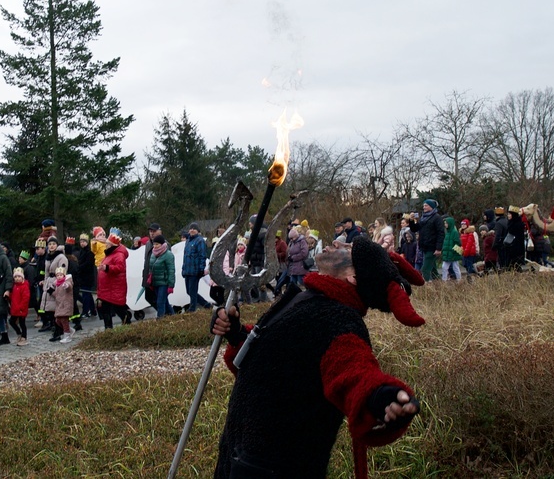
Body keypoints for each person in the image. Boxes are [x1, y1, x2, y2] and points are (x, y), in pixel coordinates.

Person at [210, 235, 423, 477]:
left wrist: (379, 396)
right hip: (241, 456)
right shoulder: (309, 301)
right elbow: (276, 357)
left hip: (273, 468)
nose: (339, 243)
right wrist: (237, 333)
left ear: (353, 277)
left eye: (349, 249)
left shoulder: (340, 320)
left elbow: (354, 371)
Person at [97, 228, 129, 328]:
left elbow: (120, 268)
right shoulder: (110, 254)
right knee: (105, 311)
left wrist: (106, 268)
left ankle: (127, 320)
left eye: (107, 243)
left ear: (112, 244)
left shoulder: (119, 254)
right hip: (107, 289)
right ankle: (108, 330)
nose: (106, 245)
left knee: (119, 309)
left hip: (115, 289)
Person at [38, 235, 68, 340]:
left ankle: (59, 332)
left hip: (57, 284)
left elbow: (62, 273)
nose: (51, 246)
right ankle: (55, 330)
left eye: (53, 244)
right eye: (50, 244)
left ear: (57, 245)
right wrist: (45, 284)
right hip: (48, 284)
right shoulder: (48, 258)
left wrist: (54, 285)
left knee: (57, 310)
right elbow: (46, 273)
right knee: (49, 310)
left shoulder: (61, 257)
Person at [408, 199, 445, 282]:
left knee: (425, 269)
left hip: (432, 247)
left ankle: (424, 287)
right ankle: (440, 284)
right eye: (423, 205)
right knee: (432, 269)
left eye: (426, 205)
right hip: (424, 246)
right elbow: (414, 229)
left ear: (431, 207)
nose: (424, 207)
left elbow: (441, 233)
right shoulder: (423, 218)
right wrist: (411, 221)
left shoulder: (437, 218)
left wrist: (438, 248)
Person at [182, 222, 210, 312]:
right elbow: (185, 256)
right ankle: (206, 304)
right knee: (189, 291)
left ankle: (192, 308)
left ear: (198, 231)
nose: (192, 230)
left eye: (194, 228)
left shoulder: (200, 241)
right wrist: (183, 269)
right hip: (187, 270)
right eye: (191, 228)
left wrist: (201, 269)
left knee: (193, 291)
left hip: (195, 270)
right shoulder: (188, 241)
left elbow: (202, 256)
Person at [148, 235, 175, 318]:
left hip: (164, 282)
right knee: (164, 302)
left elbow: (171, 270)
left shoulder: (168, 255)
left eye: (157, 244)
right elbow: (151, 268)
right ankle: (173, 316)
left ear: (162, 244)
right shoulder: (153, 254)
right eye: (154, 244)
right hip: (156, 282)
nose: (155, 246)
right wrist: (150, 279)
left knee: (160, 302)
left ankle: (160, 319)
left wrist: (171, 285)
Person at [141, 223, 162, 311]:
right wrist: (144, 273)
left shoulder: (164, 244)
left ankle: (165, 314)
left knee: (160, 298)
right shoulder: (148, 244)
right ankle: (164, 313)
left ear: (160, 231)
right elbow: (146, 260)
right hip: (148, 276)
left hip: (158, 276)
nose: (152, 233)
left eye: (154, 231)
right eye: (150, 231)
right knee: (148, 297)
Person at [51, 266, 75, 343]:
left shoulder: (67, 281)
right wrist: (51, 292)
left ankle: (67, 336)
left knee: (64, 320)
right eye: (57, 275)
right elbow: (57, 294)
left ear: (64, 275)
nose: (59, 277)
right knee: (58, 320)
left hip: (66, 304)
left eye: (60, 275)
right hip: (59, 304)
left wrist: (67, 286)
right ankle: (69, 330)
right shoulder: (57, 284)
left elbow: (69, 286)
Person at [77, 233, 97, 319]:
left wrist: (79, 268)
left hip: (87, 276)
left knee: (86, 294)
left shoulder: (89, 252)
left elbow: (88, 264)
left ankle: (86, 311)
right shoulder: (81, 252)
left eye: (84, 242)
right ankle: (93, 310)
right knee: (87, 294)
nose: (82, 243)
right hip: (83, 276)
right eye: (81, 242)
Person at [9, 267, 31, 346]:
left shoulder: (24, 286)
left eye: (19, 277)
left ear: (22, 277)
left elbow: (25, 298)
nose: (17, 278)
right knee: (11, 321)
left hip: (21, 309)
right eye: (15, 277)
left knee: (22, 323)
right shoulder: (15, 286)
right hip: (15, 308)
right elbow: (14, 297)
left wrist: (21, 307)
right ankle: (19, 333)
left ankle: (24, 337)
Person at [505, 206, 526, 271]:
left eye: (509, 214)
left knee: (515, 264)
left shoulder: (517, 224)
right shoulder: (511, 222)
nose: (508, 216)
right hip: (511, 246)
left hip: (516, 247)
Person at [441, 217, 462, 281]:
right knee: (444, 267)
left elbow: (457, 243)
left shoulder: (454, 232)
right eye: (444, 223)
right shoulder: (447, 232)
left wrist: (453, 251)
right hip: (448, 253)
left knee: (455, 267)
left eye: (446, 223)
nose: (445, 225)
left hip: (453, 253)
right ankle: (444, 280)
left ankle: (459, 280)